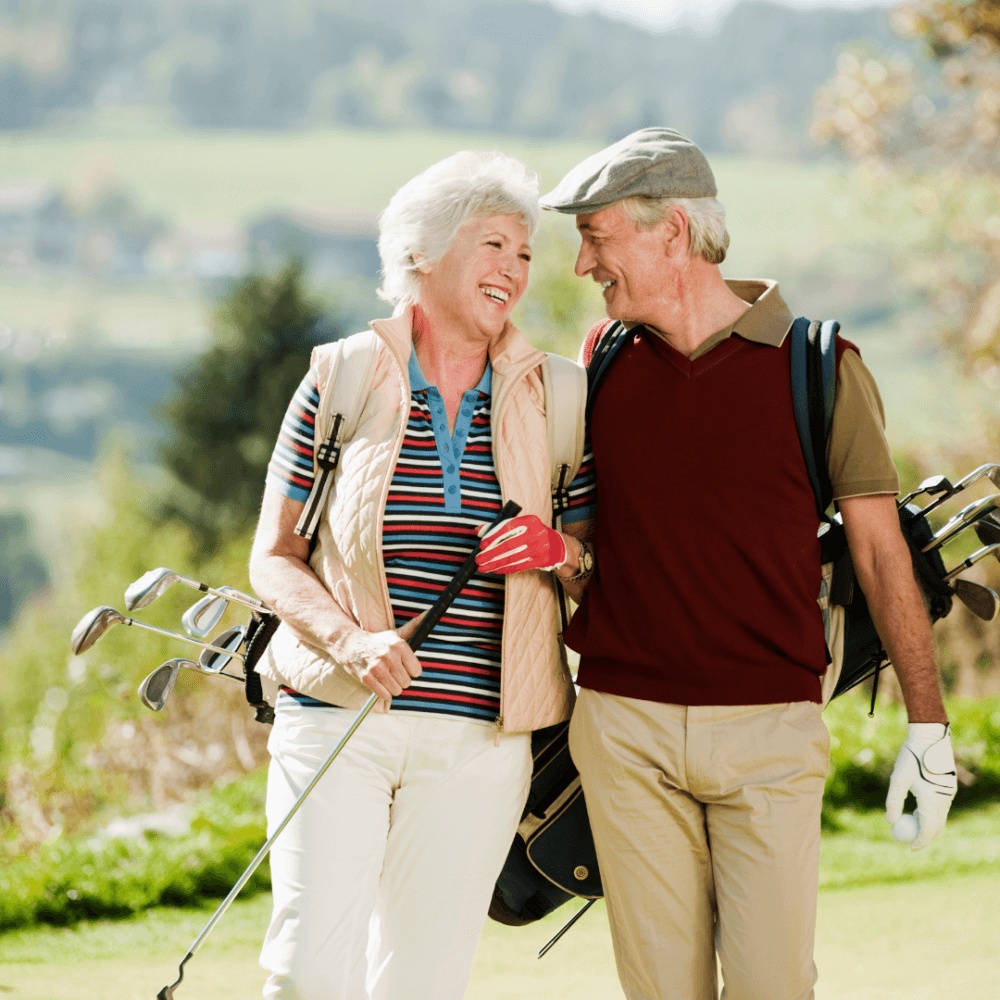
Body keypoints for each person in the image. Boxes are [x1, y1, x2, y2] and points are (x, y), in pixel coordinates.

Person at [538, 128, 958, 1000]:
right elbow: (590, 544)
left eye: (596, 237)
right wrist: (563, 559)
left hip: (769, 732)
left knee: (774, 987)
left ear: (672, 234)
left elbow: (882, 557)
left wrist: (929, 728)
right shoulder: (603, 362)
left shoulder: (821, 368)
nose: (582, 264)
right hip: (624, 728)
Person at [246, 149, 595, 1000]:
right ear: (421, 256)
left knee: (422, 982)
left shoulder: (561, 395)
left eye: (523, 251)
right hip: (337, 714)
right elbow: (274, 557)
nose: (514, 268)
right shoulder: (342, 375)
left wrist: (559, 553)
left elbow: (599, 566)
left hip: (483, 740)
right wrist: (349, 640)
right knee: (307, 971)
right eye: (492, 245)